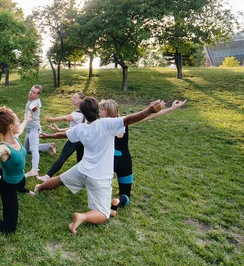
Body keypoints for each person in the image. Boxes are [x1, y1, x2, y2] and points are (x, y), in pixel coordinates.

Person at [34, 97, 165, 234]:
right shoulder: (106, 124)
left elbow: (63, 134)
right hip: (99, 177)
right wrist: (148, 110)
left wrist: (48, 136)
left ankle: (39, 187)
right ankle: (82, 216)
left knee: (60, 179)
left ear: (83, 114)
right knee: (103, 214)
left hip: (82, 169)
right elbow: (129, 119)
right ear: (98, 110)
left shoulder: (81, 128)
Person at [98, 99, 186, 216]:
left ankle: (102, 203)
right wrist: (172, 108)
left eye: (102, 110)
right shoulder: (124, 121)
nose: (100, 112)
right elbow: (147, 116)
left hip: (108, 162)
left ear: (107, 111)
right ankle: (118, 201)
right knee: (125, 195)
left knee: (101, 188)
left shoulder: (100, 124)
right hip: (125, 161)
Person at [36, 92, 86, 182]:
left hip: (75, 140)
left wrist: (52, 119)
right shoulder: (83, 112)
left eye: (75, 97)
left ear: (80, 101)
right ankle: (83, 178)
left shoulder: (78, 113)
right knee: (80, 160)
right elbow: (74, 128)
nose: (72, 98)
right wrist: (59, 130)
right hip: (82, 140)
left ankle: (47, 176)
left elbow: (65, 118)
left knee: (63, 157)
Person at [23, 84, 56, 177]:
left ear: (38, 95)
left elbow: (33, 108)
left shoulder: (36, 103)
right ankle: (50, 145)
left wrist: (28, 112)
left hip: (34, 129)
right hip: (29, 129)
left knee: (33, 149)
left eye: (34, 92)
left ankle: (34, 170)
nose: (31, 93)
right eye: (31, 90)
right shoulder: (30, 100)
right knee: (27, 150)